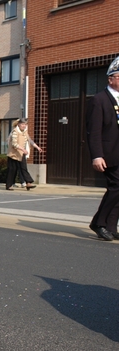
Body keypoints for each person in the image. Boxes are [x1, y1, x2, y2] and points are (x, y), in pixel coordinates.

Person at [86, 56, 119, 241]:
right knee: (117, 186)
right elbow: (94, 131)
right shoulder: (99, 100)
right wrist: (96, 155)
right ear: (111, 79)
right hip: (108, 154)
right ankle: (98, 222)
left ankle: (110, 226)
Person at [6, 118, 38, 191]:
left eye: (25, 124)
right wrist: (23, 149)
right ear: (19, 124)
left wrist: (37, 147)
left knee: (24, 168)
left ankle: (28, 183)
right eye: (23, 124)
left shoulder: (25, 132)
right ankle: (9, 185)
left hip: (21, 153)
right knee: (12, 169)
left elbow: (30, 140)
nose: (24, 126)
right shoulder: (15, 132)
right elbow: (14, 144)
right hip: (13, 154)